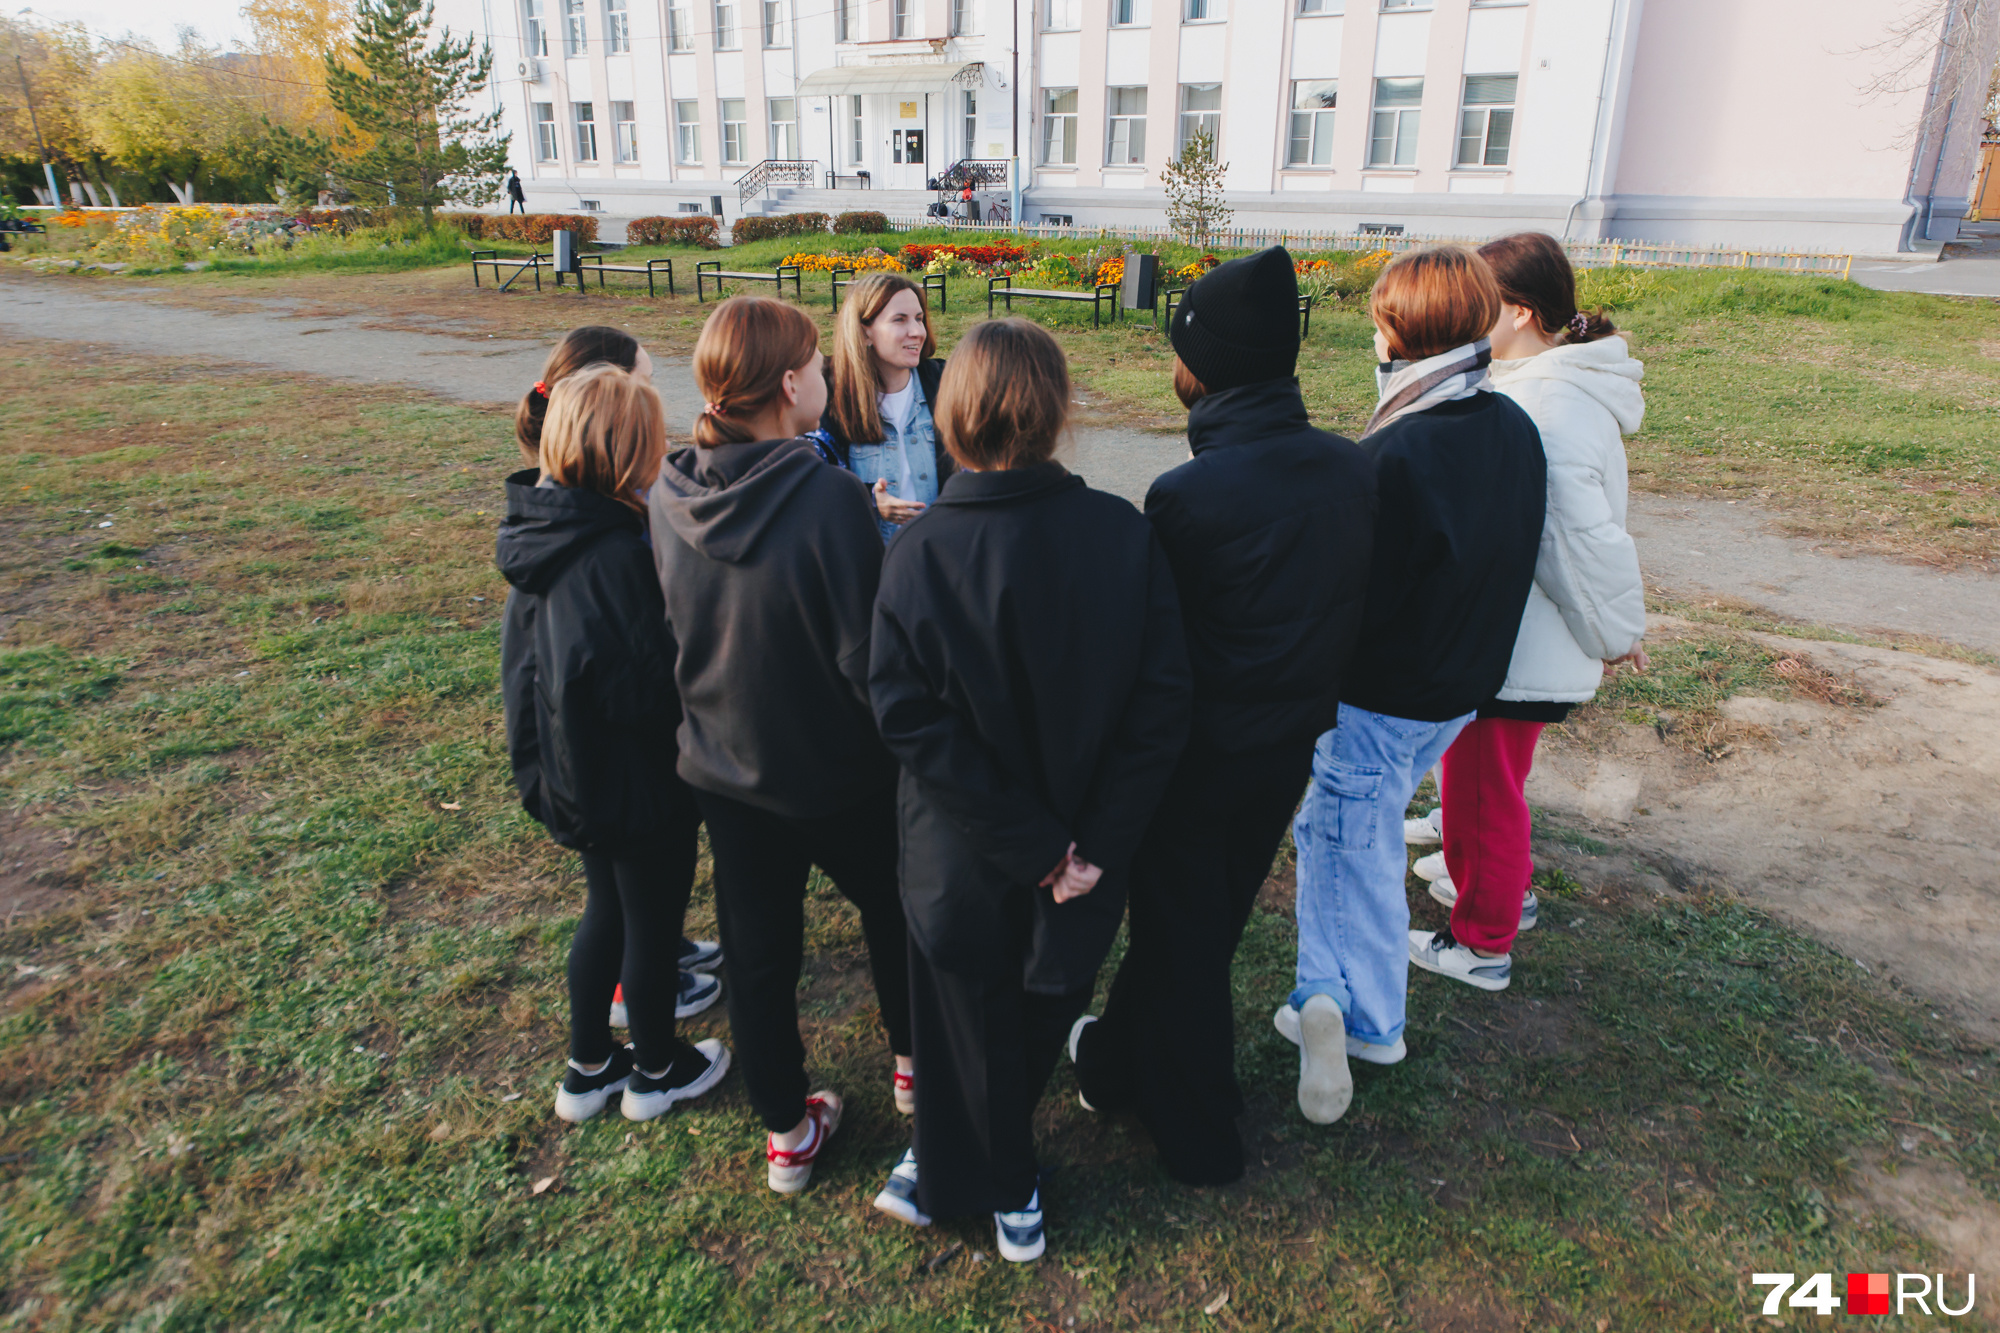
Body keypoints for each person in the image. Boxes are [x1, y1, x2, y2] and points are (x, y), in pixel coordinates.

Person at [868, 318, 1191, 1261]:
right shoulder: (1121, 533)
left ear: (952, 410)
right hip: (1068, 854)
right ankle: (976, 1169)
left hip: (977, 850)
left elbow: (901, 713)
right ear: (1055, 414)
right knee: (1004, 1006)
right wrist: (1076, 846)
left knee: (982, 1010)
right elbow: (1161, 705)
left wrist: (1070, 846)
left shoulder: (919, 553)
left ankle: (985, 1174)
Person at [1068, 247, 1375, 1186]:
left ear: (1202, 369)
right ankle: (1115, 1059)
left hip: (1196, 755)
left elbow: (1155, 647)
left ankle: (1198, 1128)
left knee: (1182, 934)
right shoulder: (1350, 469)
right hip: (1286, 747)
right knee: (1202, 919)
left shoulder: (1189, 495)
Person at [649, 295, 915, 1194]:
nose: (830, 375)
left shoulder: (669, 488)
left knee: (758, 948)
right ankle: (914, 1061)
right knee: (893, 905)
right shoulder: (829, 497)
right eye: (817, 360)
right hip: (834, 767)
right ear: (790, 381)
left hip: (722, 764)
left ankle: (785, 1130)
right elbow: (864, 653)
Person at [1278, 246, 1546, 1126]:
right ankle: (1329, 988)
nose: (1373, 332)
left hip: (1381, 693)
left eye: (1381, 317)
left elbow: (1357, 591)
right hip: (1458, 687)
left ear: (1405, 329)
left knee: (1351, 844)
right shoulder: (1507, 425)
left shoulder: (1401, 450)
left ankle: (1367, 1019)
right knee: (1337, 827)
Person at [1404, 232, 1648, 990]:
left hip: (1519, 642)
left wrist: (1614, 632)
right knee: (1479, 780)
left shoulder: (1547, 400)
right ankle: (1476, 868)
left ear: (1518, 311)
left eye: (1482, 304)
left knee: (1487, 791)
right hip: (1513, 632)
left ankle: (1481, 941)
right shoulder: (1544, 382)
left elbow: (1573, 536)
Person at [498, 363, 731, 1125]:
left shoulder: (543, 533)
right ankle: (658, 1067)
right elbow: (644, 685)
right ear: (622, 451)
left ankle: (589, 1061)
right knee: (653, 920)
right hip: (631, 784)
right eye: (650, 439)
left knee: (608, 909)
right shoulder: (616, 559)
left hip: (568, 769)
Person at [818, 272, 952, 542]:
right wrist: (869, 500)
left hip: (938, 556)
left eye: (919, 318)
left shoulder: (946, 383)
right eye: (899, 320)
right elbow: (816, 488)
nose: (917, 331)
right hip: (871, 566)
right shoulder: (829, 394)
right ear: (865, 332)